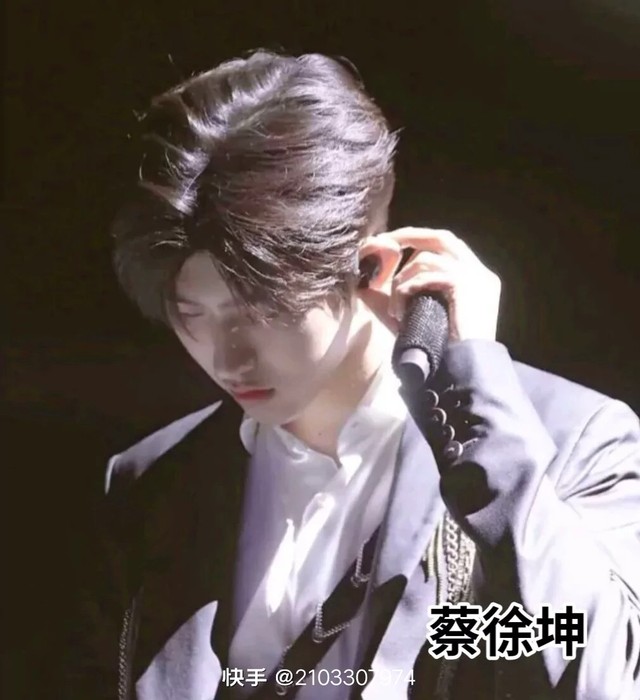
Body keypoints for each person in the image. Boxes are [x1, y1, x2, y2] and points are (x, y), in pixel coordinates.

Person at [66, 49, 640, 700]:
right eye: (191, 314)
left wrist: (485, 416)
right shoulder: (151, 482)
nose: (228, 358)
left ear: (370, 260)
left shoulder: (570, 444)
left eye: (265, 311)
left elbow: (595, 682)